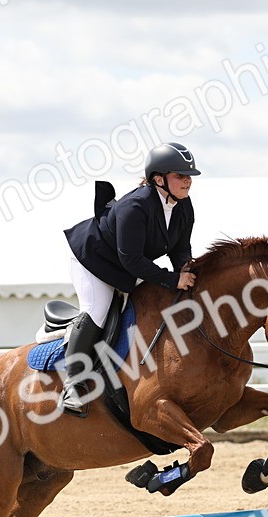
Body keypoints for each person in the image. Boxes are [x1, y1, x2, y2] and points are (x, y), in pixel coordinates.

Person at [60, 142, 200, 415]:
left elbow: (181, 247)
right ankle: (73, 383)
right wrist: (173, 280)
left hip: (124, 262)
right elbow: (132, 261)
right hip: (91, 257)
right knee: (98, 309)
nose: (187, 181)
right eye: (180, 175)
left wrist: (186, 270)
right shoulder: (135, 207)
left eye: (189, 176)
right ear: (159, 179)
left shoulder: (183, 206)